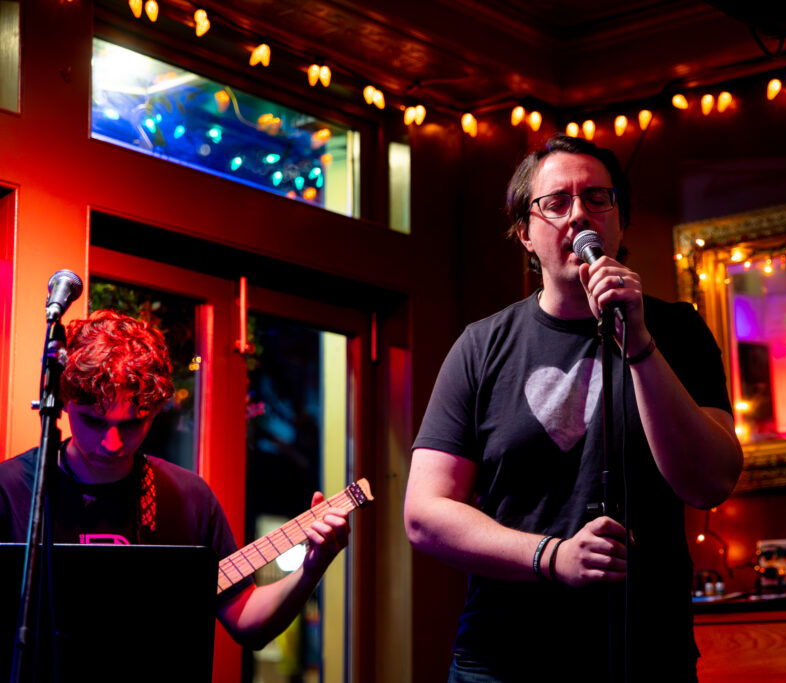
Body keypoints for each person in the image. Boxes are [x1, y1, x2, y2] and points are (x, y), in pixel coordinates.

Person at [404, 134, 744, 682]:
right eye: (557, 202)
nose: (579, 214)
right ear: (525, 233)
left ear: (620, 221)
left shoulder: (676, 331)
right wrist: (551, 556)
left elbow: (709, 483)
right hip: (504, 660)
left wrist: (639, 346)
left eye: (597, 198)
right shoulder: (481, 345)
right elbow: (425, 514)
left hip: (645, 654)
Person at [0, 310, 350, 650]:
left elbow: (248, 622)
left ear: (154, 411)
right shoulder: (11, 489)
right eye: (94, 422)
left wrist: (311, 568)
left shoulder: (189, 498)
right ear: (63, 402)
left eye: (133, 423)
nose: (113, 443)